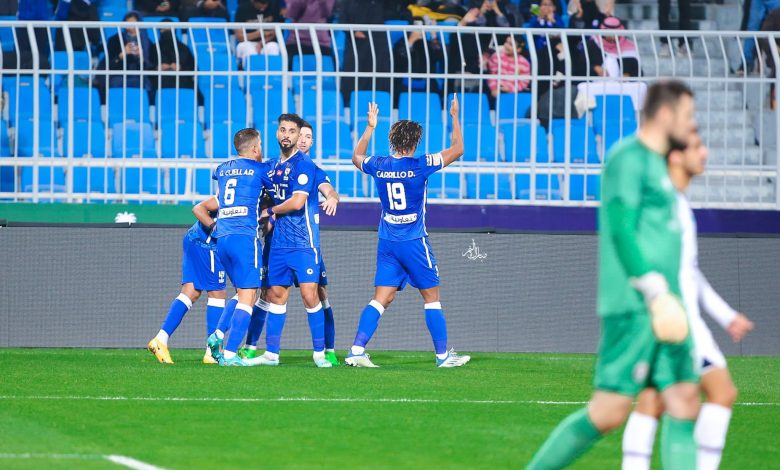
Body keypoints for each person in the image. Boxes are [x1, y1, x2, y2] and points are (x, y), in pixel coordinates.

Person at [526, 80, 700, 469]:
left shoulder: (660, 165)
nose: (692, 124)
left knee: (685, 400)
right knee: (608, 412)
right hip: (637, 305)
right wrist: (656, 293)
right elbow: (622, 230)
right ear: (666, 114)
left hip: (668, 305)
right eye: (687, 115)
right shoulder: (628, 159)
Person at [621, 129, 755, 470]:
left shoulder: (676, 202)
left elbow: (688, 271)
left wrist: (725, 316)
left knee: (654, 401)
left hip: (677, 317)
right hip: (675, 319)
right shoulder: (664, 203)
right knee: (716, 393)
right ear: (676, 157)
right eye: (697, 146)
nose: (706, 152)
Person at [345, 95, 471, 368]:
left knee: (381, 298)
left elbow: (356, 158)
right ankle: (442, 357)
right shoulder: (420, 165)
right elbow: (458, 148)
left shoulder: (379, 165)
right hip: (413, 241)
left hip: (387, 241)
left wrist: (369, 127)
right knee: (431, 297)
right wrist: (454, 116)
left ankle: (356, 350)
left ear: (393, 140)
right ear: (415, 143)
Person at [238, 121, 341, 366]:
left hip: (304, 243)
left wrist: (334, 198)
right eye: (283, 130)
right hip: (278, 244)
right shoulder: (271, 166)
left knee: (311, 294)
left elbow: (303, 200)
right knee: (274, 295)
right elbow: (258, 194)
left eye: (295, 132)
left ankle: (323, 352)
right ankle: (270, 353)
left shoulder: (307, 166)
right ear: (277, 133)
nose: (289, 136)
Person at [203, 128, 267, 366]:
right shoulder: (261, 169)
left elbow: (221, 195)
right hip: (244, 237)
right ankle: (230, 354)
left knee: (241, 292)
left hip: (223, 239)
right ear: (254, 148)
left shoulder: (222, 169)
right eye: (259, 145)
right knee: (249, 295)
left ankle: (217, 335)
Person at [147, 196, 227, 364]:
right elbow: (198, 209)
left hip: (194, 239)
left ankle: (160, 339)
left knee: (190, 292)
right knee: (217, 294)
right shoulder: (238, 192)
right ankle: (212, 352)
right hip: (208, 245)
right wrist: (215, 228)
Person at [103, 11, 154, 97]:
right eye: (128, 23)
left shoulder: (147, 42)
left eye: (133, 23)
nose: (130, 26)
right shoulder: (114, 40)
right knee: (116, 83)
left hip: (138, 76)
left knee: (142, 83)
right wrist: (121, 55)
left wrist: (140, 57)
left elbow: (150, 66)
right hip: (119, 75)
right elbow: (109, 64)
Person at [392, 29, 445, 98]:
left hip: (428, 84)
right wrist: (410, 42)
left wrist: (433, 36)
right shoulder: (401, 42)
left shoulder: (429, 44)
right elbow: (398, 59)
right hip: (405, 84)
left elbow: (440, 56)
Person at [149, 20, 197, 91]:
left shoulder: (183, 48)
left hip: (181, 81)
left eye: (169, 29)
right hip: (159, 81)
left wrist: (180, 68)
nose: (167, 32)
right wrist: (157, 68)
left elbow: (194, 68)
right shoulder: (153, 48)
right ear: (160, 31)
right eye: (163, 29)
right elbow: (146, 67)